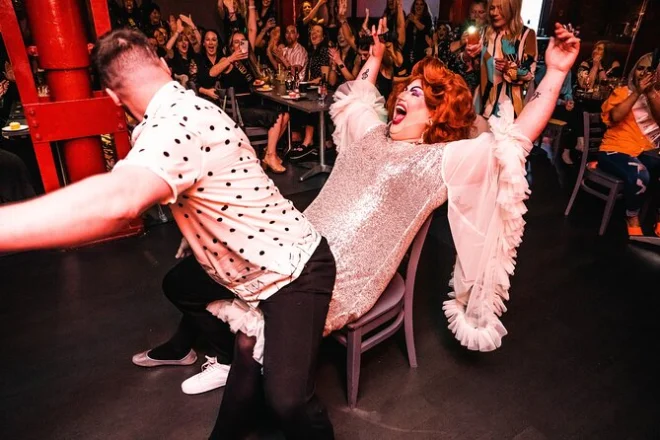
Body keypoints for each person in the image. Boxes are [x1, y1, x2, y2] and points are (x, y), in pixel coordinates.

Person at [0, 28, 337, 440]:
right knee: (181, 285)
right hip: (245, 264)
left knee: (287, 401)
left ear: (112, 96)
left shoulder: (174, 124)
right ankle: (232, 355)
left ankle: (243, 357)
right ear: (161, 63)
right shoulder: (192, 107)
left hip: (292, 270)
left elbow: (120, 200)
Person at [596, 53, 660, 237]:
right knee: (640, 173)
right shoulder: (623, 92)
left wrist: (650, 93)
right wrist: (637, 92)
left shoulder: (656, 96)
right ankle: (632, 216)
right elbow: (615, 117)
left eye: (649, 69)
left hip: (645, 150)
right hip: (614, 150)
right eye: (640, 68)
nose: (644, 73)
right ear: (634, 71)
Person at [478, 0, 537, 118]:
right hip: (484, 106)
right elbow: (476, 66)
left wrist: (509, 68)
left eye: (500, 8)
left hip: (511, 110)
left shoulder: (526, 35)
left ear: (512, 9)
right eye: (492, 8)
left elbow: (529, 73)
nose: (494, 13)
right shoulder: (485, 33)